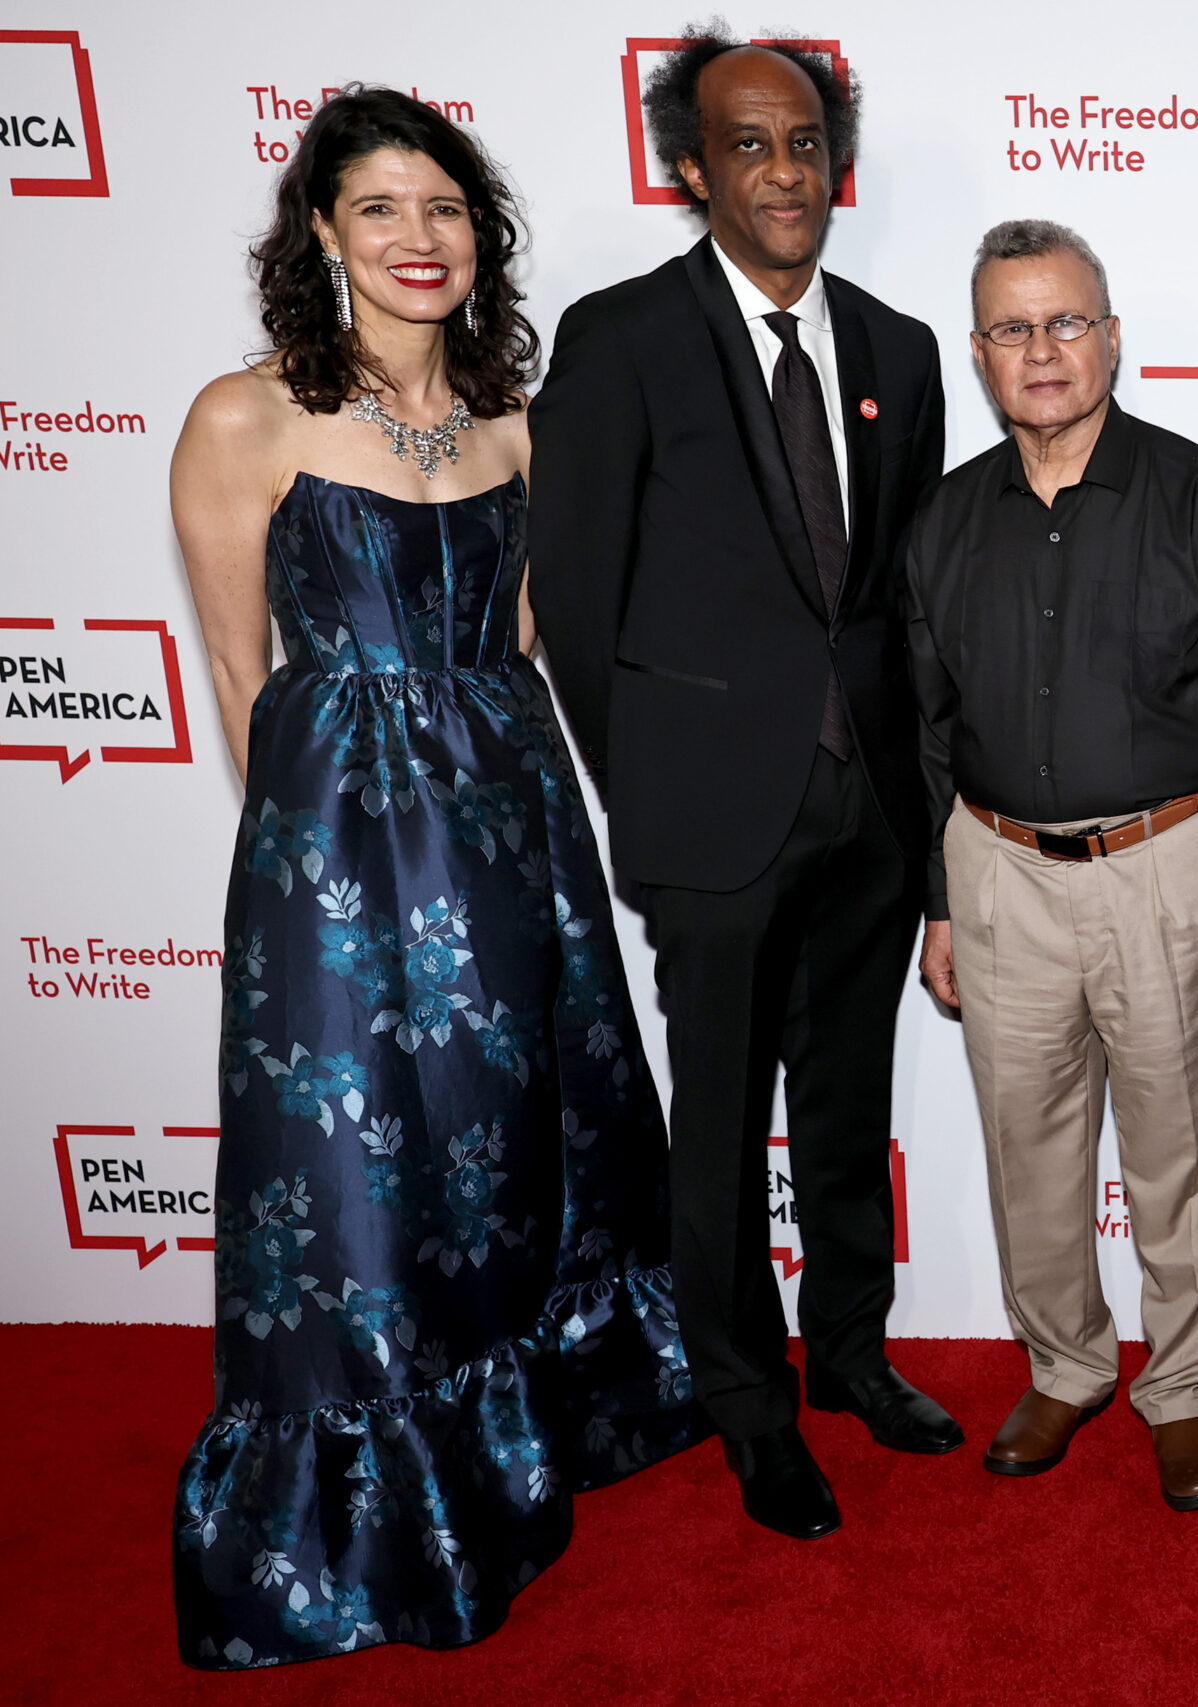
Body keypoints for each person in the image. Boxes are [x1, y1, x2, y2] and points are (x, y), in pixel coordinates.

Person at [168, 87, 693, 1669]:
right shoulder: (244, 418)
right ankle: (378, 1513)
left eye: (446, 209)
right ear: (322, 232)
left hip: (518, 822)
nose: (419, 239)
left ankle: (526, 1433)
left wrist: (506, 812)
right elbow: (237, 663)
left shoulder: (517, 421)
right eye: (381, 209)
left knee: (518, 1134)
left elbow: (522, 647)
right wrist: (324, 861)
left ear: (483, 237)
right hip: (340, 854)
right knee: (365, 1175)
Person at [529, 30, 956, 1542]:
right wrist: (645, 788)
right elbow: (575, 596)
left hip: (873, 812)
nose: (785, 172)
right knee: (717, 1125)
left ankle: (848, 1355)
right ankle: (747, 1403)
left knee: (851, 1104)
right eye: (750, 146)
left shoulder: (901, 349)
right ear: (692, 168)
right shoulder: (622, 335)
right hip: (710, 817)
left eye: (805, 143)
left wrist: (920, 808)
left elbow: (902, 599)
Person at [904, 220, 1198, 1511]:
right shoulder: (945, 523)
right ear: (980, 354)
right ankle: (1065, 1365)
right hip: (998, 870)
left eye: (1066, 321)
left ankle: (1184, 1388)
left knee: (1186, 1152)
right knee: (1028, 1143)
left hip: (1172, 865)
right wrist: (940, 901)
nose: (1043, 350)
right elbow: (925, 729)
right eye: (1014, 329)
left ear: (1113, 338)